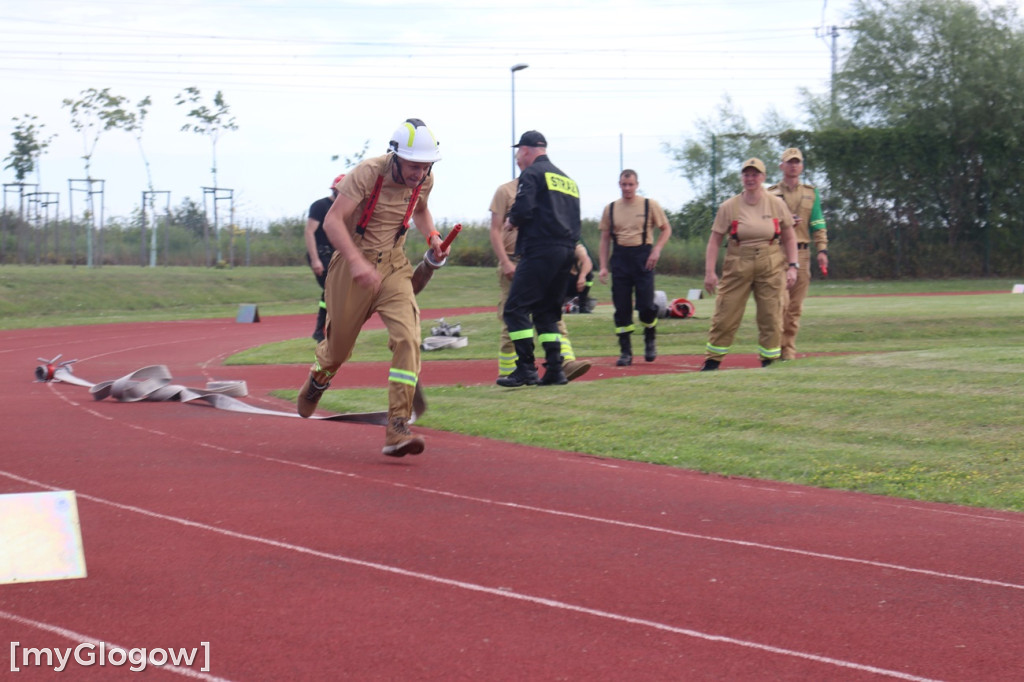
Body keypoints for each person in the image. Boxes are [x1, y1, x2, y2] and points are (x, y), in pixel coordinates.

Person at [296, 118, 448, 458]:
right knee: (338, 350)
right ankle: (319, 378)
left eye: (426, 166)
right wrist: (356, 262)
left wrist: (433, 237)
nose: (419, 173)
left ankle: (397, 426)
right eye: (413, 165)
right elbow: (333, 221)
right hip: (352, 264)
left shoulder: (425, 178)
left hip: (394, 266)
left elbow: (421, 210)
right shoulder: (367, 172)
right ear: (395, 156)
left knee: (408, 339)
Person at [497, 130, 582, 387]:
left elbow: (524, 207)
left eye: (518, 153)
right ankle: (555, 370)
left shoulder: (532, 173)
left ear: (525, 150)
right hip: (567, 251)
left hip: (541, 249)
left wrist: (512, 221)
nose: (518, 158)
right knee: (546, 312)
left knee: (515, 308)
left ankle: (526, 368)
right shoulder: (567, 180)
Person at [489, 177, 591, 383]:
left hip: (539, 261)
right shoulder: (505, 191)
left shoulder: (547, 190)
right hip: (513, 261)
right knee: (512, 319)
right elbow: (495, 229)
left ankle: (564, 363)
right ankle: (509, 370)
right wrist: (505, 262)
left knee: (551, 314)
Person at [701, 158, 798, 371]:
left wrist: (793, 266)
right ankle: (712, 361)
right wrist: (709, 272)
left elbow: (790, 237)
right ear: (742, 177)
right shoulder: (729, 206)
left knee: (771, 315)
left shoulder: (776, 204)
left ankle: (769, 362)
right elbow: (715, 240)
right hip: (738, 261)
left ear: (763, 177)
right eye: (746, 174)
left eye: (755, 174)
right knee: (726, 313)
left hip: (770, 262)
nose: (750, 178)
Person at [598, 169, 672, 366]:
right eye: (624, 184)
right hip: (620, 258)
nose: (627, 188)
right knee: (622, 307)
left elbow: (666, 229)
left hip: (643, 257)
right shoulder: (610, 209)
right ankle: (625, 351)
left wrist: (656, 250)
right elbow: (604, 239)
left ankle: (650, 338)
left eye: (630, 184)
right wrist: (603, 266)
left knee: (646, 305)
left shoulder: (649, 205)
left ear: (637, 185)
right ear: (619, 185)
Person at [767, 148, 829, 360]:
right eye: (789, 162)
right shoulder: (770, 193)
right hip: (777, 251)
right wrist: (783, 223)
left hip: (802, 252)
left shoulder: (811, 193)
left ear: (801, 166)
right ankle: (773, 347)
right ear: (781, 166)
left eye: (797, 162)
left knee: (795, 307)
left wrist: (822, 249)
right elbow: (763, 222)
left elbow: (818, 222)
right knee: (779, 303)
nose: (793, 166)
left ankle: (788, 350)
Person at [304, 175, 343, 341]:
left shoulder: (344, 209)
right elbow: (309, 232)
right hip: (321, 254)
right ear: (335, 190)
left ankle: (323, 330)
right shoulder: (320, 206)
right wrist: (315, 259)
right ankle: (321, 331)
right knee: (331, 289)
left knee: (332, 291)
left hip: (335, 255)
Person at [564, 242, 595, 313]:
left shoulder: (578, 248)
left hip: (575, 284)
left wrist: (582, 276)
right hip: (560, 283)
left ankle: (582, 305)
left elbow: (587, 262)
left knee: (589, 276)